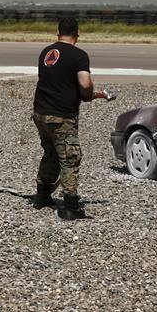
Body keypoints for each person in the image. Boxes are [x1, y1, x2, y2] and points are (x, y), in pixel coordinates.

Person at [32, 17, 114, 220]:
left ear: (58, 32)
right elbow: (84, 85)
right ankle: (70, 206)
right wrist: (91, 93)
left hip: (41, 113)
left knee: (51, 153)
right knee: (70, 158)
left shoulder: (46, 52)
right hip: (61, 116)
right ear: (77, 34)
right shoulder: (79, 56)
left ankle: (42, 196)